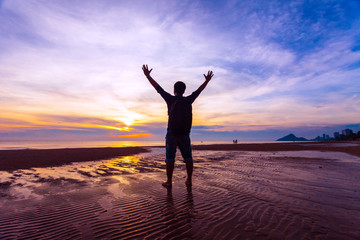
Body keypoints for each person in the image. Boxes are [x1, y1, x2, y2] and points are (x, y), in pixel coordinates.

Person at [142, 64, 214, 188]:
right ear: (184, 90)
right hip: (185, 134)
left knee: (170, 158)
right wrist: (206, 81)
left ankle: (169, 182)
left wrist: (148, 75)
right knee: (188, 158)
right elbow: (199, 90)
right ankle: (189, 180)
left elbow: (157, 88)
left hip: (172, 134)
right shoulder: (188, 100)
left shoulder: (170, 99)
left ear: (174, 90)